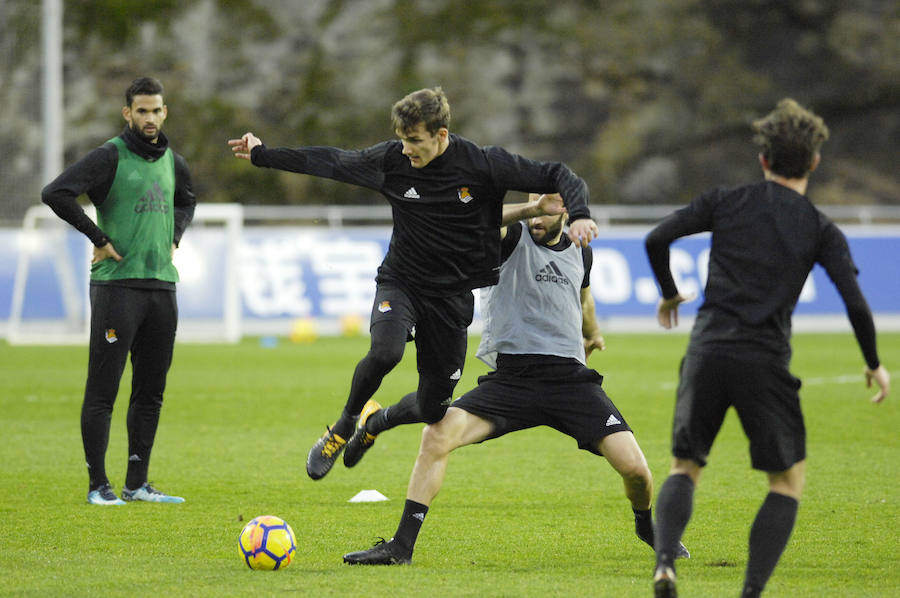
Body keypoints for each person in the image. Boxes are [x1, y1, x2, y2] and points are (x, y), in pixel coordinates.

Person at [229, 87, 600, 481]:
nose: (407, 149)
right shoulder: (392, 159)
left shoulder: (483, 164)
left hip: (452, 297)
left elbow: (558, 173)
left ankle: (375, 422)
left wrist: (579, 214)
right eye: (404, 140)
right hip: (402, 282)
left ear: (441, 136)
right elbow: (334, 161)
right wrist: (262, 154)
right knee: (386, 352)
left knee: (434, 408)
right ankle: (343, 425)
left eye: (415, 141)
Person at [341, 194, 689, 565]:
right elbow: (479, 221)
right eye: (532, 203)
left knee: (636, 471)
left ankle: (645, 525)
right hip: (511, 380)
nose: (539, 213)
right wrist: (529, 210)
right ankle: (400, 547)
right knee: (436, 435)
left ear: (567, 211)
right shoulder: (508, 240)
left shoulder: (581, 252)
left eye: (548, 206)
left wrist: (593, 332)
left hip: (570, 383)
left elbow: (583, 295)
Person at [644, 98, 890, 598]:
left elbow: (656, 239)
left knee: (684, 467)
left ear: (763, 160)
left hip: (708, 348)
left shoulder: (726, 200)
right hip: (764, 359)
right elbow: (857, 305)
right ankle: (751, 592)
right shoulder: (820, 228)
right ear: (815, 163)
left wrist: (670, 293)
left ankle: (665, 564)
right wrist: (873, 363)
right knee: (785, 483)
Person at [42, 76, 196, 505]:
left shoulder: (174, 161)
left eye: (157, 110)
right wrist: (97, 236)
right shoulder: (110, 156)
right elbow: (56, 192)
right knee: (103, 390)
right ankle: (98, 485)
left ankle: (137, 483)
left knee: (151, 391)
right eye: (141, 111)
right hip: (117, 289)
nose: (150, 118)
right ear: (128, 113)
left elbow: (187, 200)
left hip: (162, 287)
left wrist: (175, 236)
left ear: (165, 112)